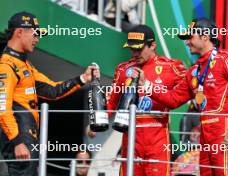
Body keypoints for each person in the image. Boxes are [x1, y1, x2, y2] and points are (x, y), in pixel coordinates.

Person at [133, 18, 228, 176]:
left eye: (190, 37)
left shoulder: (226, 58)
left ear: (205, 37)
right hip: (204, 135)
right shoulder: (194, 71)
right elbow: (173, 99)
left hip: (225, 132)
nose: (187, 42)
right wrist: (147, 85)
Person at [0, 11, 100, 176]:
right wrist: (17, 141)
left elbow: (52, 90)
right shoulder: (7, 66)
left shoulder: (24, 64)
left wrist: (83, 78)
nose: (37, 39)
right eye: (35, 34)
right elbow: (3, 108)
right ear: (19, 32)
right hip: (18, 140)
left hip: (28, 138)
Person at [107, 25, 186, 176]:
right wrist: (96, 121)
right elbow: (111, 103)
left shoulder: (171, 67)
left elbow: (191, 90)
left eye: (139, 49)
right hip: (130, 141)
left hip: (158, 142)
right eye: (132, 49)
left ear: (153, 45)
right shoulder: (123, 69)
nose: (135, 53)